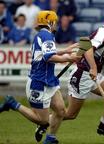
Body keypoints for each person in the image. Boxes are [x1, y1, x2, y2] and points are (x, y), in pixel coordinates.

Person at [0, 10, 81, 144]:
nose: (57, 24)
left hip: (49, 81)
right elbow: (49, 57)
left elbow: (47, 52)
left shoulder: (45, 35)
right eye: (55, 21)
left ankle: (50, 138)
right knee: (42, 120)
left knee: (60, 111)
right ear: (49, 22)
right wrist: (69, 57)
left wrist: (65, 51)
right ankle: (12, 103)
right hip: (39, 82)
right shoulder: (46, 36)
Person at [64, 15, 104, 138]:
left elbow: (93, 53)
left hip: (93, 74)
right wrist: (93, 67)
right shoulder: (102, 34)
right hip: (83, 75)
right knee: (70, 114)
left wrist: (103, 60)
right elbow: (87, 49)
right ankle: (44, 121)